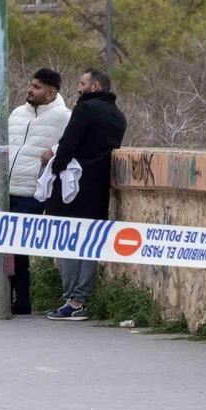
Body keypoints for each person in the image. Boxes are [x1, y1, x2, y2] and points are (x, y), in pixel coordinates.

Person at [44, 69, 127, 321]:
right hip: (98, 187)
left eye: (82, 83)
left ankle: (71, 298)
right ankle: (81, 299)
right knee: (89, 244)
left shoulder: (85, 109)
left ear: (95, 86)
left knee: (68, 241)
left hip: (74, 187)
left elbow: (68, 143)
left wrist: (55, 167)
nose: (78, 88)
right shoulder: (118, 115)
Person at [7, 68, 71, 315]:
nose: (30, 90)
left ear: (50, 92)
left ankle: (22, 300)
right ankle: (6, 296)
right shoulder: (17, 113)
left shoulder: (64, 117)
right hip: (6, 189)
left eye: (36, 87)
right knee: (5, 248)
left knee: (18, 248)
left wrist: (54, 151)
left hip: (33, 191)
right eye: (31, 85)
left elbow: (72, 143)